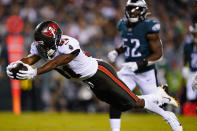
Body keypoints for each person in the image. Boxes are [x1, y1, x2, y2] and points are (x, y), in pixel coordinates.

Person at [7, 20, 177, 123]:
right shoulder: (40, 46)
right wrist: (17, 64)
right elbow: (30, 59)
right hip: (89, 81)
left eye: (44, 42)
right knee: (124, 105)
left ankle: (160, 99)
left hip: (100, 72)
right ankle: (159, 97)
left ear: (54, 38)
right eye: (40, 42)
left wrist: (35, 73)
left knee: (133, 102)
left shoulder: (68, 43)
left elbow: (58, 61)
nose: (40, 45)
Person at [107, 0, 182, 131]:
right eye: (130, 9)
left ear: (143, 11)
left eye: (136, 9)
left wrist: (139, 63)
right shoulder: (123, 25)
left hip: (145, 72)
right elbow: (130, 43)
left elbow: (158, 54)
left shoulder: (149, 27)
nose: (132, 12)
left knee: (150, 105)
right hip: (128, 70)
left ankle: (167, 114)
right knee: (115, 97)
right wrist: (117, 51)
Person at [183, 23, 197, 101]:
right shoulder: (188, 46)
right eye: (194, 34)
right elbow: (185, 60)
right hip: (192, 73)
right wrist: (184, 68)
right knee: (190, 96)